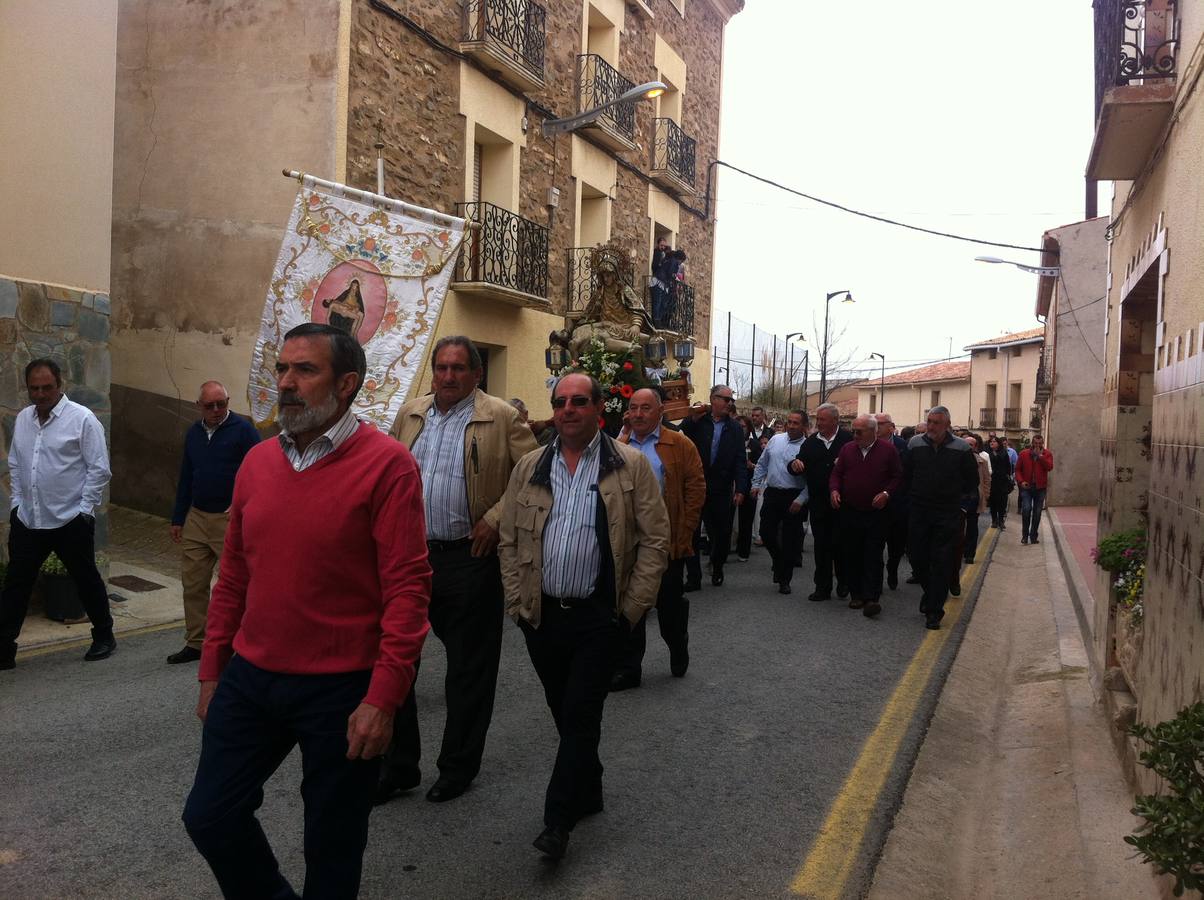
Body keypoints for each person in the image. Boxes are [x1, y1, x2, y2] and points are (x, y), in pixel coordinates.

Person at [182, 323, 432, 898]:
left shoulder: (388, 466)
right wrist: (213, 668)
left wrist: (383, 698)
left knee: (332, 845)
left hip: (342, 687)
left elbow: (408, 591)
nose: (287, 383)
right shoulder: (258, 462)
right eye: (282, 369)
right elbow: (235, 576)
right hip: (251, 678)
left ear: (346, 384)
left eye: (304, 370)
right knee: (211, 816)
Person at [498, 373, 668, 860]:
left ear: (598, 409)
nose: (568, 409)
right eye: (560, 402)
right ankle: (589, 785)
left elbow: (655, 541)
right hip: (542, 617)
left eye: (578, 401)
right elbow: (509, 537)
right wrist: (516, 602)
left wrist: (632, 610)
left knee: (579, 714)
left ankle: (558, 821)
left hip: (600, 618)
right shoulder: (531, 465)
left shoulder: (630, 466)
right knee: (562, 710)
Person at [377, 336, 538, 805]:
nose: (448, 376)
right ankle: (398, 765)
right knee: (395, 661)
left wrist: (493, 518)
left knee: (469, 670)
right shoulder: (411, 414)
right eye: (441, 368)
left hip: (469, 558)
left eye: (458, 369)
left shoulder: (501, 416)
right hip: (408, 558)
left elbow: (531, 477)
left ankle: (457, 767)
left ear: (476, 374)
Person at [1, 359, 114, 669]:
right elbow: (15, 462)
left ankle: (104, 635)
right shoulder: (24, 419)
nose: (40, 394)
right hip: (29, 519)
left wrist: (83, 511)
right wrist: (16, 505)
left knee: (85, 578)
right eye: (34, 388)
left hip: (69, 520)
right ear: (28, 388)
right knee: (16, 584)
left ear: (59, 384)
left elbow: (99, 469)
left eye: (47, 387)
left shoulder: (82, 419)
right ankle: (4, 648)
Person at [613, 388, 705, 689]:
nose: (638, 414)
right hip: (628, 542)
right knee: (630, 606)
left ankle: (678, 643)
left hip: (665, 543)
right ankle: (629, 669)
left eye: (645, 408)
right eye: (633, 408)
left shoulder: (679, 444)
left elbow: (695, 488)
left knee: (668, 607)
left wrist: (685, 530)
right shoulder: (619, 445)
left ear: (660, 412)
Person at [167, 381, 260, 665]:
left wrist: (242, 503)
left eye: (222, 404)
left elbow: (260, 469)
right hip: (197, 516)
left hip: (228, 518)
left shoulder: (243, 431)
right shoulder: (194, 433)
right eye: (211, 406)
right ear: (200, 406)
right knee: (193, 582)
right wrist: (178, 517)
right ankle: (197, 642)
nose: (217, 410)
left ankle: (245, 641)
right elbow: (186, 475)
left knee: (235, 584)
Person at [902, 406, 979, 630]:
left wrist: (961, 505)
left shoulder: (962, 448)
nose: (932, 426)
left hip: (948, 512)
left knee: (942, 560)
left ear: (947, 424)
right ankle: (931, 593)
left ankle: (934, 611)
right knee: (917, 557)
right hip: (919, 510)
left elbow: (971, 481)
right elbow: (906, 475)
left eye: (936, 422)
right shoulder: (915, 444)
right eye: (929, 421)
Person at [831, 414, 902, 618]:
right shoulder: (847, 449)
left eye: (859, 432)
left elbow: (898, 476)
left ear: (873, 432)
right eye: (853, 431)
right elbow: (837, 474)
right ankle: (857, 594)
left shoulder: (888, 451)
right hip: (851, 510)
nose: (855, 435)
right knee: (852, 553)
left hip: (876, 513)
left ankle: (872, 597)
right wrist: (834, 490)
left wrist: (887, 493)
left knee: (873, 554)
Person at [681, 385, 749, 588]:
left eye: (731, 401)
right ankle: (694, 577)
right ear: (713, 399)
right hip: (695, 485)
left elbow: (739, 460)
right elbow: (680, 434)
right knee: (691, 531)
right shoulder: (699, 419)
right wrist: (692, 418)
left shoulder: (735, 428)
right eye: (725, 399)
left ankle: (717, 565)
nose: (729, 404)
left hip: (721, 487)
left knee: (720, 533)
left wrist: (740, 489)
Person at [788, 403, 853, 602]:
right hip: (818, 504)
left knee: (841, 545)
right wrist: (794, 465)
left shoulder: (847, 440)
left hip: (842, 504)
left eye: (822, 420)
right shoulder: (810, 443)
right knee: (821, 546)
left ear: (835, 420)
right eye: (817, 419)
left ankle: (844, 582)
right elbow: (796, 465)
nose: (819, 423)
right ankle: (822, 587)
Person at [750, 410, 809, 594]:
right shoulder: (776, 440)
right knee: (766, 532)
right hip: (773, 493)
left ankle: (785, 579)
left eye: (796, 423)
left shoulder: (808, 447)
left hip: (795, 496)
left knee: (790, 540)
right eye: (789, 422)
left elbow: (814, 480)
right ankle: (778, 559)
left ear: (804, 426)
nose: (791, 426)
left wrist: (801, 499)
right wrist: (755, 483)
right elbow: (762, 463)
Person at [874, 412, 909, 589]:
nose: (877, 427)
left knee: (896, 545)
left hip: (898, 504)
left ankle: (893, 567)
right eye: (875, 423)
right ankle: (876, 582)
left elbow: (906, 474)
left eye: (880, 424)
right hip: (876, 503)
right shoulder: (869, 445)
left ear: (890, 426)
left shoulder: (902, 446)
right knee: (876, 545)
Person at [737, 407, 771, 559]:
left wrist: (753, 466)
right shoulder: (731, 443)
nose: (740, 429)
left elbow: (763, 466)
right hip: (732, 484)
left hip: (750, 483)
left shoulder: (755, 445)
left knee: (746, 518)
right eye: (737, 427)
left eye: (743, 427)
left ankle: (743, 551)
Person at [1016, 434, 1054, 544]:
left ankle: (1033, 536)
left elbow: (1049, 467)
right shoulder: (1024, 454)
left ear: (1042, 443)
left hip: (1040, 488)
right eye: (1035, 443)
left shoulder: (1047, 454)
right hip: (1027, 487)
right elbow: (1017, 470)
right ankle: (1024, 536)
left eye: (1039, 443)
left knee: (1037, 513)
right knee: (1026, 510)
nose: (1037, 445)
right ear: (1032, 443)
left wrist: (1040, 457)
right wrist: (1021, 481)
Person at [986, 435, 1013, 529]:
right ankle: (994, 520)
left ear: (998, 443)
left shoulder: (1003, 453)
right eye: (991, 441)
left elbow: (1008, 467)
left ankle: (1001, 520)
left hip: (1002, 482)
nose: (992, 443)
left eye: (994, 441)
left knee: (1002, 502)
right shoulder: (987, 454)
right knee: (993, 502)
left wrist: (1007, 476)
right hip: (991, 481)